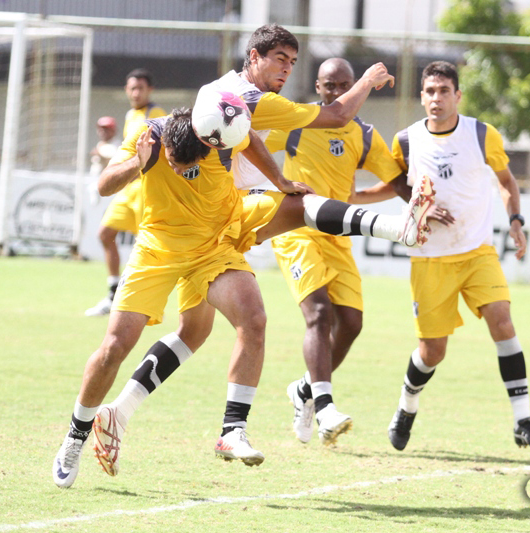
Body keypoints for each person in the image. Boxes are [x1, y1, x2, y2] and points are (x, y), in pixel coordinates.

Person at [89, 24, 434, 477]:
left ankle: (122, 412)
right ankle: (395, 232)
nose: (287, 70)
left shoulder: (227, 93)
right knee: (299, 217)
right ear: (254, 57)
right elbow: (333, 117)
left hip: (214, 223)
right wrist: (367, 81)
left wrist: (276, 178)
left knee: (198, 330)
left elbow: (245, 137)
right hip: (213, 219)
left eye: (292, 63)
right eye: (280, 61)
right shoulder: (253, 99)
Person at [52, 108, 312, 488]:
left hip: (211, 247)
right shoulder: (149, 137)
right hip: (157, 249)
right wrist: (138, 165)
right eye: (174, 164)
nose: (180, 172)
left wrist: (280, 179)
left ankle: (232, 430)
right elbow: (104, 185)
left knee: (248, 321)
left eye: (189, 167)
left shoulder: (220, 133)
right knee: (115, 347)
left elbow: (251, 140)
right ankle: (76, 437)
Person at [355, 61, 530, 451]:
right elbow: (394, 185)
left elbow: (506, 181)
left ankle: (523, 420)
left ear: (457, 95)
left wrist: (515, 220)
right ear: (422, 96)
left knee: (503, 321)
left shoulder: (480, 134)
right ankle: (407, 404)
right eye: (430, 91)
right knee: (432, 351)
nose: (436, 98)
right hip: (430, 259)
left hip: (477, 252)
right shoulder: (407, 141)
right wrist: (349, 197)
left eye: (444, 91)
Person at [260, 57, 412, 446]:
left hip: (337, 235)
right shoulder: (297, 122)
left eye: (343, 85)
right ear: (317, 88)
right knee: (320, 314)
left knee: (352, 323)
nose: (336, 92)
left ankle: (305, 390)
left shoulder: (364, 134)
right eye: (329, 86)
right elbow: (249, 147)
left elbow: (396, 181)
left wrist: (424, 206)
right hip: (297, 231)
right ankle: (325, 408)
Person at [85, 69, 167, 317]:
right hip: (128, 189)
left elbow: (150, 155)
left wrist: (109, 154)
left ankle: (143, 301)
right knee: (105, 234)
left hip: (145, 189)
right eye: (132, 88)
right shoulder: (131, 114)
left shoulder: (157, 115)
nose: (135, 92)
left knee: (148, 246)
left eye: (140, 88)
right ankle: (112, 294)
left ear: (149, 90)